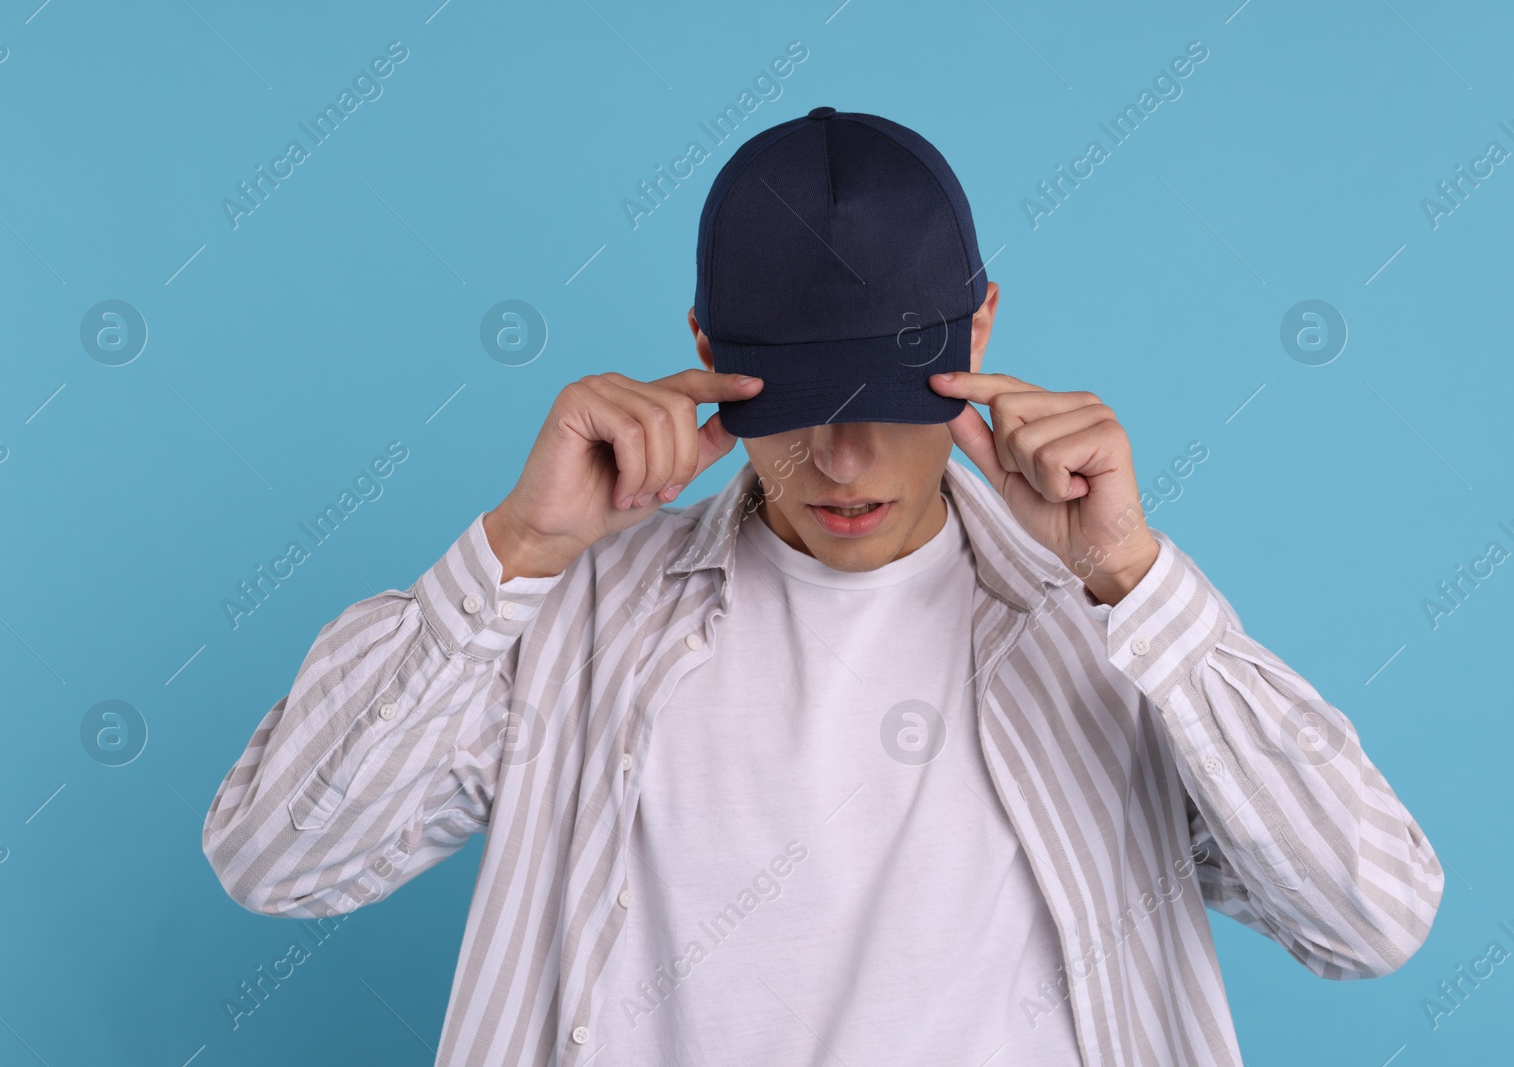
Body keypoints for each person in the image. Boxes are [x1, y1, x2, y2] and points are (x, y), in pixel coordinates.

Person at [201, 108, 1442, 1066]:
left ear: (981, 334)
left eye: (893, 404)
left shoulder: (1110, 633)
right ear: (705, 352)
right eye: (796, 404)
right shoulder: (565, 617)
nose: (843, 460)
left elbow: (1370, 917)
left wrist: (1130, 577)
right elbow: (278, 860)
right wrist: (518, 547)